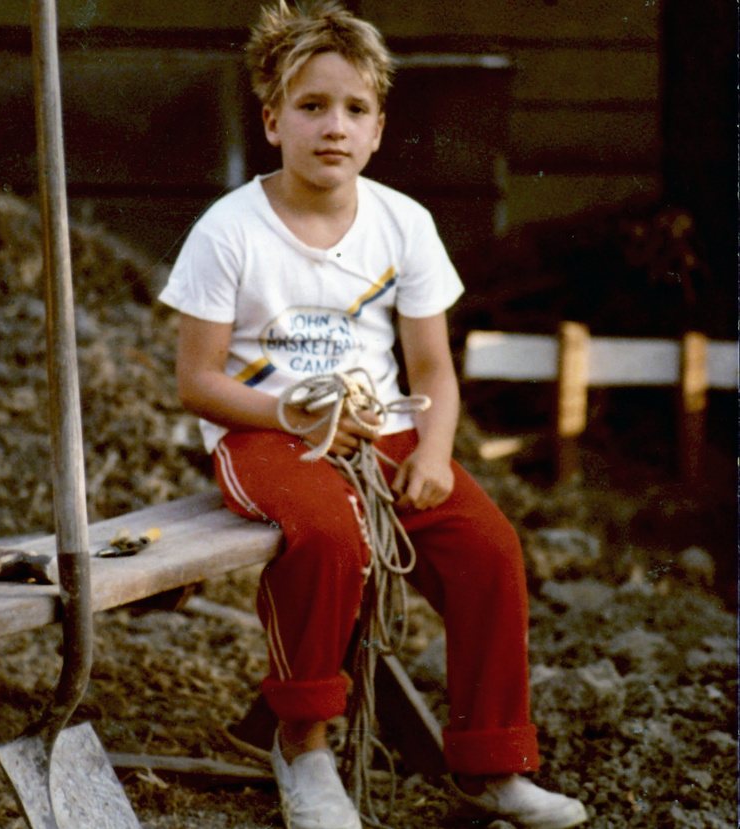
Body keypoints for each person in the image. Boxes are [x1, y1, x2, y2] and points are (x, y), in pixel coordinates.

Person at [159, 3, 588, 828]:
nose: (334, 127)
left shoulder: (403, 222)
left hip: (382, 426)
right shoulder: (227, 231)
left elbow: (431, 367)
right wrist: (289, 411)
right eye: (312, 106)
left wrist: (432, 452)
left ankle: (491, 763)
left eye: (354, 109)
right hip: (266, 428)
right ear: (273, 118)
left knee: (489, 545)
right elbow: (197, 383)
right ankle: (304, 743)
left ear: (379, 128)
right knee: (329, 532)